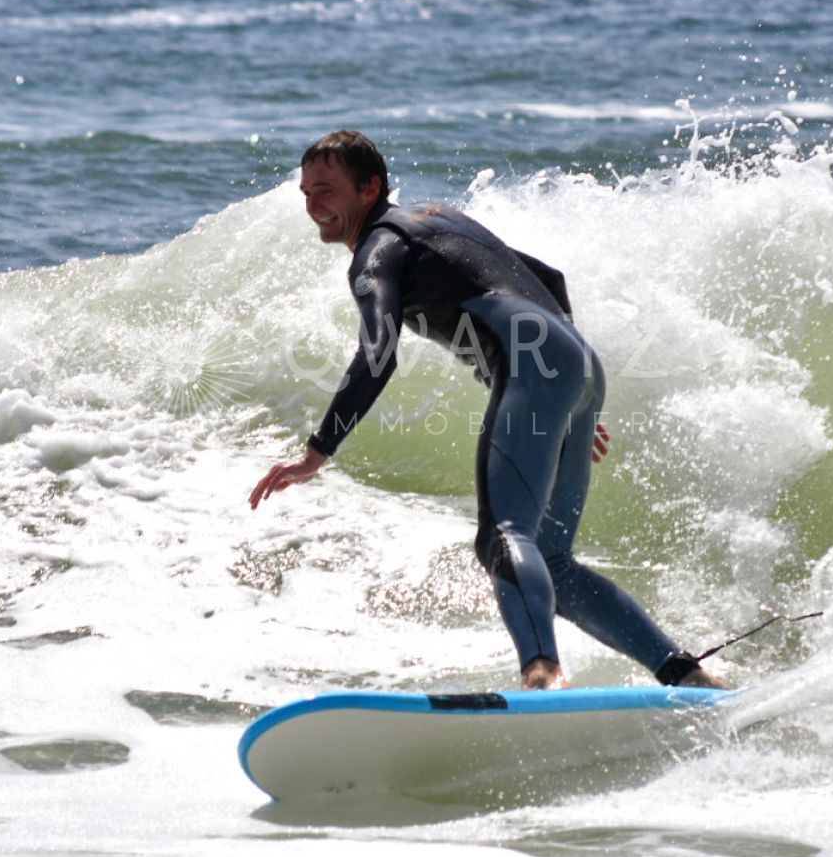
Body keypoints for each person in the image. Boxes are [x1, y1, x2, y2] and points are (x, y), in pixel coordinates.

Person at [248, 130, 723, 692]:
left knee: (501, 536)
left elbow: (377, 355)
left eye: (326, 190)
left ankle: (542, 673)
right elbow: (549, 278)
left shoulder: (377, 250)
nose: (313, 206)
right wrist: (570, 391)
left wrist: (318, 450)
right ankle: (685, 673)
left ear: (370, 187)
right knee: (552, 562)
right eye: (306, 193)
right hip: (579, 365)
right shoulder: (439, 219)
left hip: (538, 366)